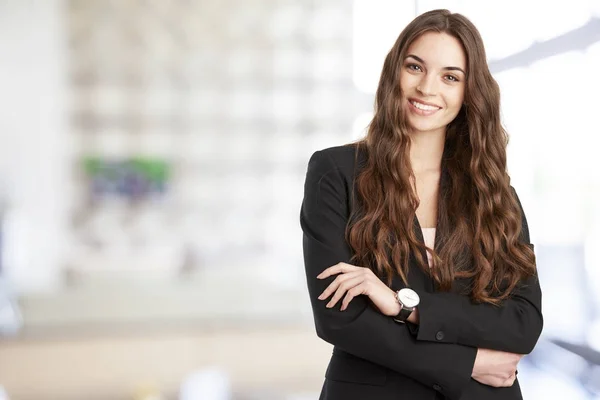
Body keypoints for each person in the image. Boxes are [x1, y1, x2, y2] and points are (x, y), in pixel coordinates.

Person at [300, 9, 543, 400]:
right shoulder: (336, 172)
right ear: (394, 71)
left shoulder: (495, 192)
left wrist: (405, 307)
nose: (428, 88)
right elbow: (339, 320)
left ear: (468, 93)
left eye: (450, 77)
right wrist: (468, 362)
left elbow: (522, 323)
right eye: (415, 67)